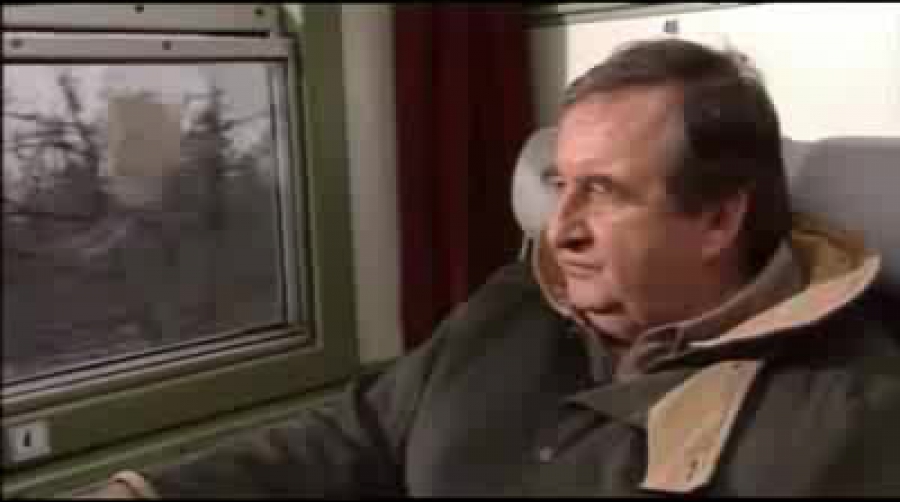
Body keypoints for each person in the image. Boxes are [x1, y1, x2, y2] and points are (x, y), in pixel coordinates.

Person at [91, 38, 900, 497]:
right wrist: (143, 494)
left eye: (604, 192)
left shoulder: (843, 412)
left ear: (718, 219)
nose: (561, 228)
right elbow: (356, 436)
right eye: (560, 186)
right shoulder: (512, 305)